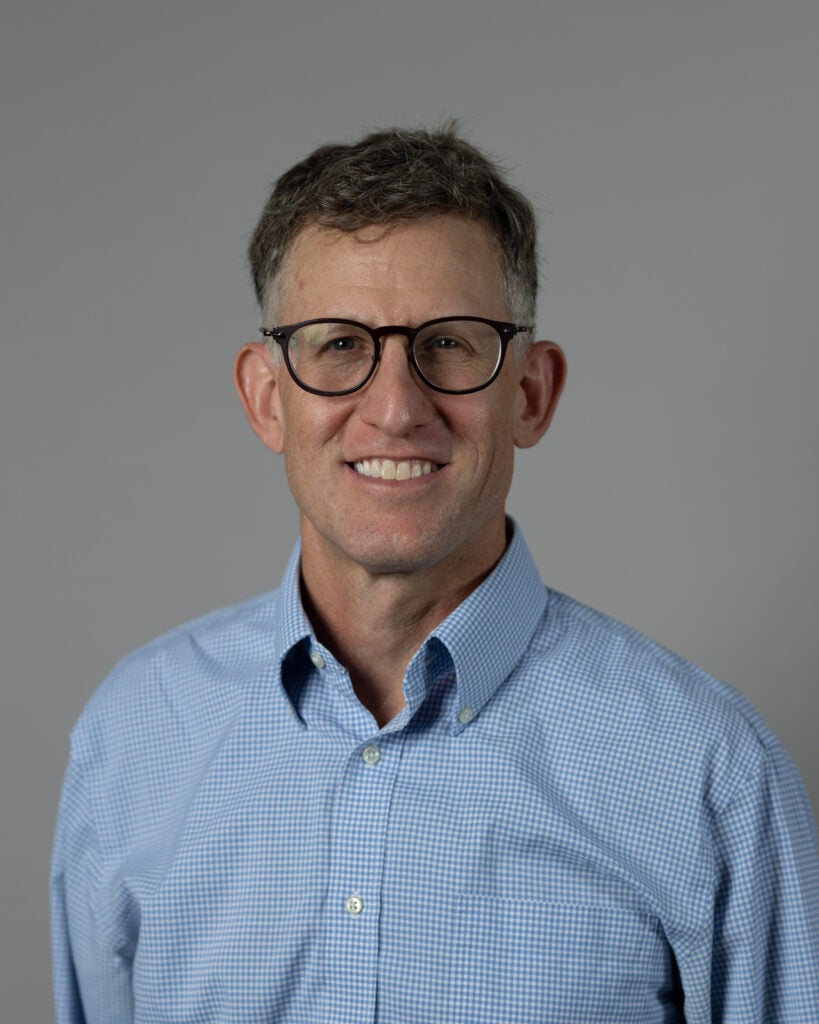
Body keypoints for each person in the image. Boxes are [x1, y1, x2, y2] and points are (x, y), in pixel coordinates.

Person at [51, 124, 818, 1023]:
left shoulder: (705, 770)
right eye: (338, 344)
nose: (395, 407)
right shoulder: (133, 738)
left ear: (529, 393)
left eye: (449, 343)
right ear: (266, 398)